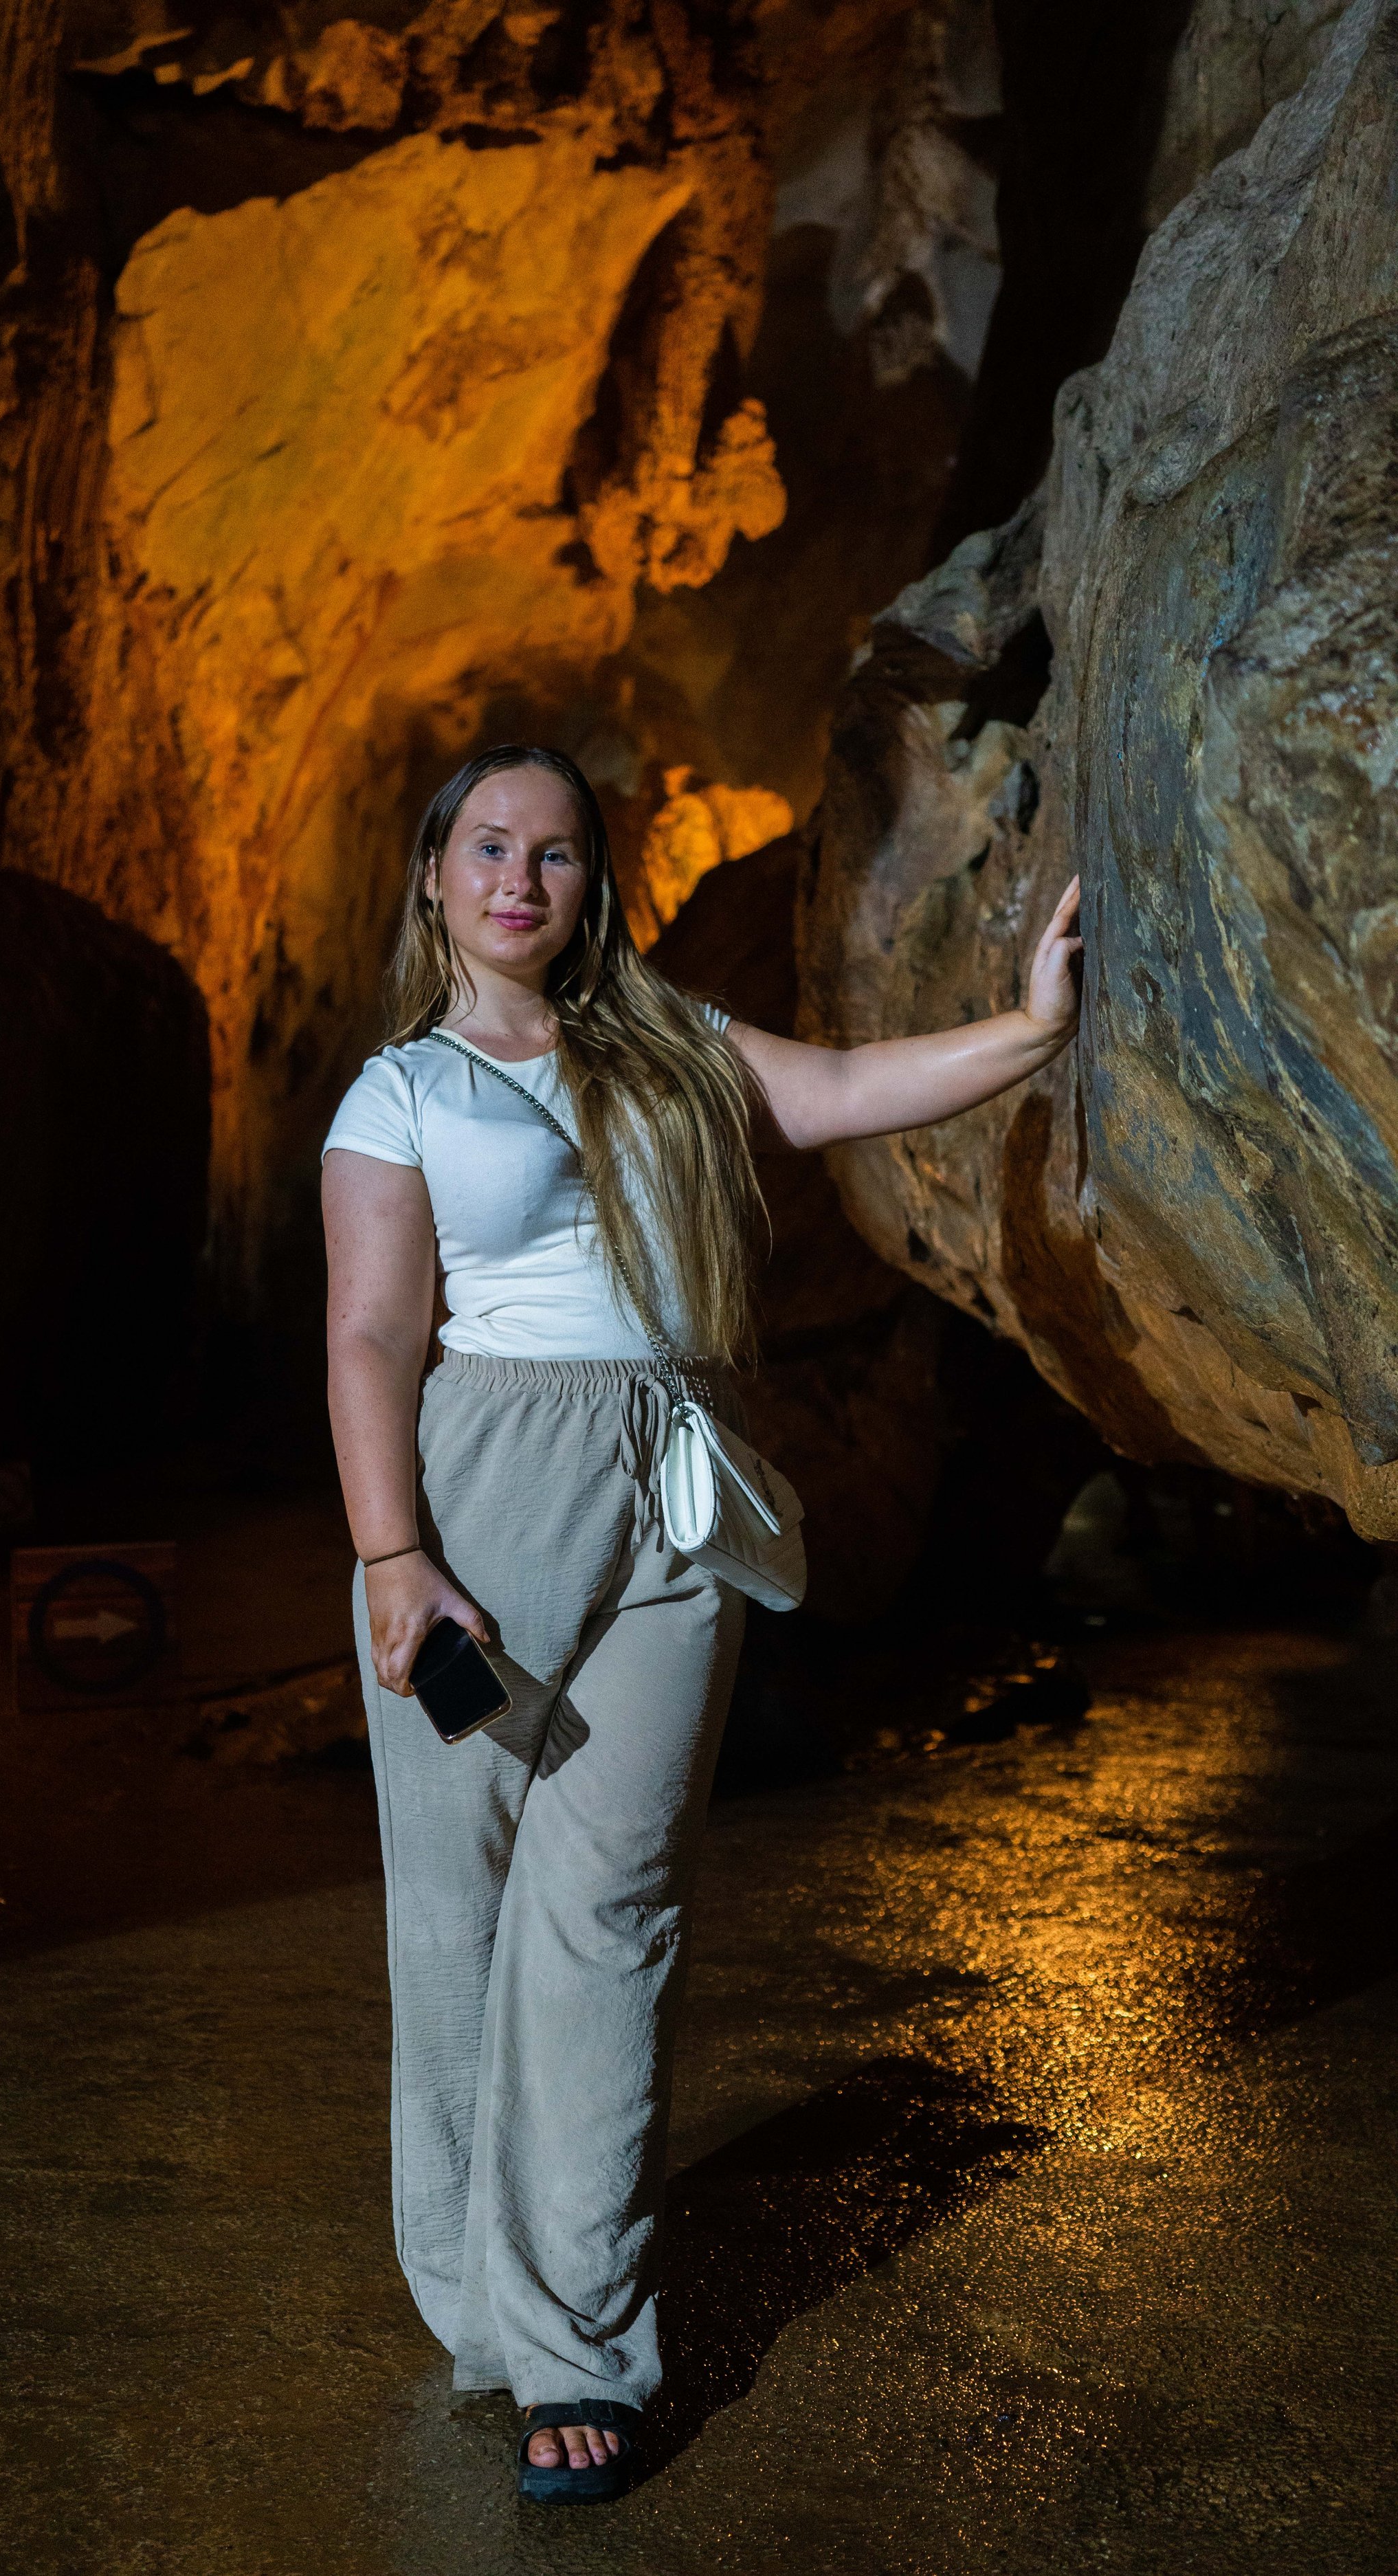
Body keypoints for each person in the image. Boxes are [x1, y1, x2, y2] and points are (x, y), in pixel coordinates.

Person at [320, 744, 1081, 2503]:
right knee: (465, 1904)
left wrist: (1027, 1032)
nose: (523, 878)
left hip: (674, 1482)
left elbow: (828, 1091)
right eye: (491, 846)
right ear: (436, 871)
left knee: (615, 1900)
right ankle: (485, 2311)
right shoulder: (399, 1094)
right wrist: (391, 1555)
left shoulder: (662, 1041)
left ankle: (575, 2339)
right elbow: (367, 1333)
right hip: (484, 1503)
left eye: (561, 852)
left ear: (598, 881)